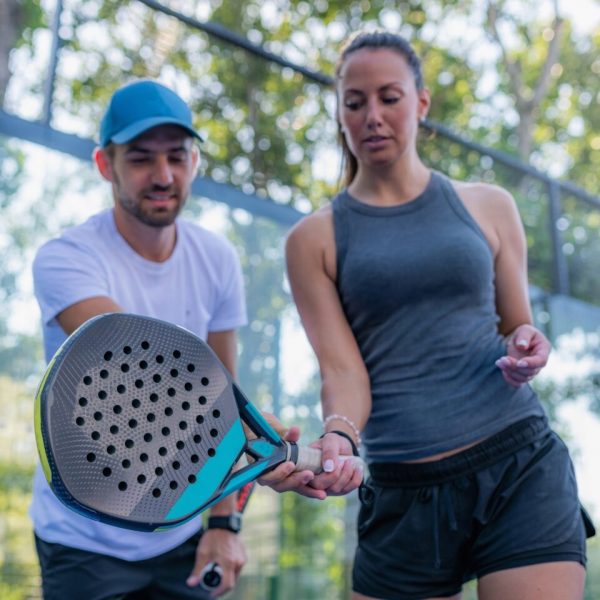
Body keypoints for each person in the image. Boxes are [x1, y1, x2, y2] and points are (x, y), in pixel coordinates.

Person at [284, 30, 595, 600]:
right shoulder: (313, 239)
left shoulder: (490, 205)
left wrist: (527, 347)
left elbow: (514, 329)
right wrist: (340, 438)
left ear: (421, 102)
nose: (372, 115)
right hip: (404, 494)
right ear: (340, 112)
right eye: (355, 103)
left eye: (389, 97)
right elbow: (344, 371)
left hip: (518, 465)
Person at [30, 79, 301, 600]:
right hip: (82, 541)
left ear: (195, 163)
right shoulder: (66, 258)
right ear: (105, 165)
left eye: (177, 157)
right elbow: (136, 368)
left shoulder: (217, 258)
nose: (163, 175)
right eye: (140, 159)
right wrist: (257, 443)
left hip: (179, 528)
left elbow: (224, 386)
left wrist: (223, 524)